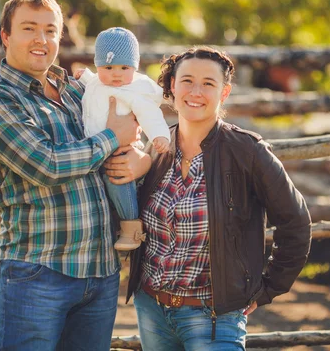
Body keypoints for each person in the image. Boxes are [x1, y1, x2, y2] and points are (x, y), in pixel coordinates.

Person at [0, 0, 150, 351]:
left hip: (100, 271)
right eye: (29, 28)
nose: (42, 39)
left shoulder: (75, 92)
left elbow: (124, 146)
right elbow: (47, 164)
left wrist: (138, 156)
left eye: (51, 30)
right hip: (40, 272)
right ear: (6, 36)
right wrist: (113, 137)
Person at [118, 46, 312, 350]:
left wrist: (268, 288)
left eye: (208, 83)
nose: (196, 91)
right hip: (151, 308)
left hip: (213, 316)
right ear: (172, 86)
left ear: (224, 92)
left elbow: (296, 223)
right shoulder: (158, 148)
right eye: (187, 81)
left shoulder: (247, 152)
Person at [80, 27, 170, 251]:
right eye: (108, 67)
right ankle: (114, 225)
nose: (116, 74)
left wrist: (160, 135)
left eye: (124, 67)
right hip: (95, 149)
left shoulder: (135, 91)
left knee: (118, 181)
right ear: (98, 65)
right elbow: (93, 85)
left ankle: (131, 226)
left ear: (134, 67)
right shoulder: (99, 82)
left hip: (120, 150)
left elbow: (150, 115)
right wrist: (84, 76)